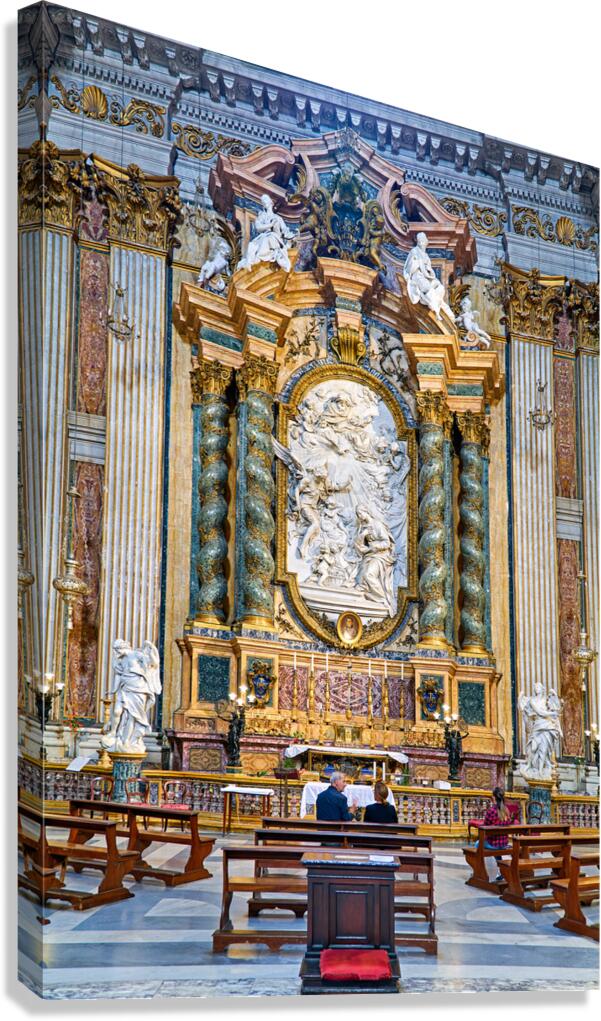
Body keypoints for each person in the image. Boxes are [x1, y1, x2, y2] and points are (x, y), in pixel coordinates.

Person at [479, 787, 519, 882]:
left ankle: (480, 872)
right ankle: (501, 871)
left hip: (493, 843)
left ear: (493, 797)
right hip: (504, 843)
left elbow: (485, 826)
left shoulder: (491, 811)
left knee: (477, 844)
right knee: (495, 845)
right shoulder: (506, 810)